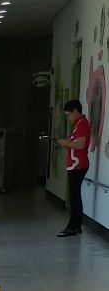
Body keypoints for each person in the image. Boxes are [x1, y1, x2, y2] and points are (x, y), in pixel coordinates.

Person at [55, 97, 91, 237]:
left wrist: (65, 143)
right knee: (74, 196)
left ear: (75, 111)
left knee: (74, 197)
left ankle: (72, 226)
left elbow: (80, 145)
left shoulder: (82, 124)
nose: (67, 118)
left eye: (67, 115)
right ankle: (75, 226)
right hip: (75, 164)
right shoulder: (78, 124)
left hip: (78, 165)